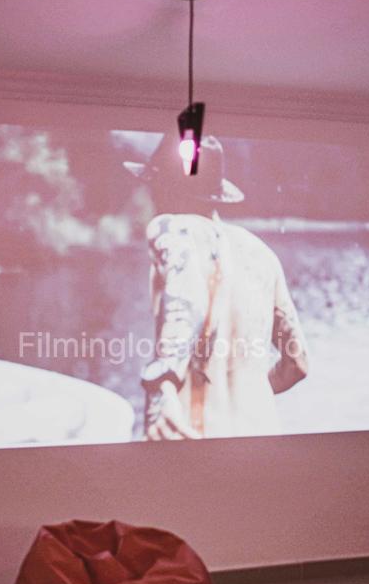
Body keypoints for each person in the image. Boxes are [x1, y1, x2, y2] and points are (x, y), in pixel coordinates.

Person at [125, 135, 309, 440]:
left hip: (195, 443)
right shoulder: (262, 255)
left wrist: (163, 385)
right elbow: (298, 364)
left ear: (163, 188)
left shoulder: (170, 227)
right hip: (263, 443)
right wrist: (247, 397)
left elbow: (188, 297)